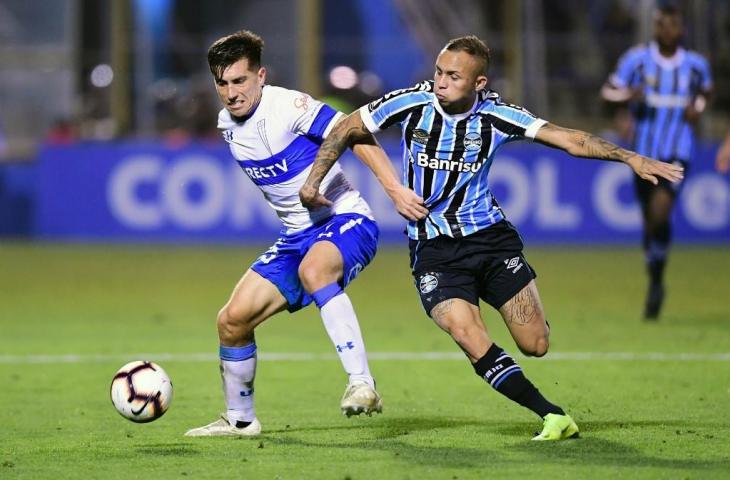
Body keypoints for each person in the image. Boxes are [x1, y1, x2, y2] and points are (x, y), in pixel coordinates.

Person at [299, 35, 683, 440]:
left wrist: (629, 157)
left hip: (491, 242)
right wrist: (323, 183)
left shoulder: (498, 116)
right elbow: (347, 127)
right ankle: (552, 415)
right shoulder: (412, 102)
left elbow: (569, 138)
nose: (441, 82)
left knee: (535, 344)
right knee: (466, 331)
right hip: (434, 250)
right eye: (438, 72)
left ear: (479, 83)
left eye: (453, 76)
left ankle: (511, 298)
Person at [184, 30, 398, 437]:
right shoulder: (225, 123)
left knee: (315, 272)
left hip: (346, 220)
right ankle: (240, 420)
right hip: (297, 236)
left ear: (260, 76)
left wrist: (393, 189)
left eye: (240, 80)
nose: (231, 93)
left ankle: (363, 383)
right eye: (223, 83)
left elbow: (353, 130)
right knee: (232, 320)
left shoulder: (290, 106)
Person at [601, 5, 712, 320]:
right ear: (655, 27)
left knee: (661, 212)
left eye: (673, 25)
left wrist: (698, 108)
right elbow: (608, 92)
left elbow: (706, 91)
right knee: (650, 220)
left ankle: (656, 283)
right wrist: (626, 102)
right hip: (642, 153)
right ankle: (655, 272)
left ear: (682, 29)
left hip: (679, 151)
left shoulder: (695, 65)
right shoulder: (637, 60)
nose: (667, 30)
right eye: (662, 24)